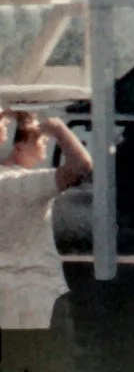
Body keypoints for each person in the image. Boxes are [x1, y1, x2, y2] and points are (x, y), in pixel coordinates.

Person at [1, 105, 94, 368]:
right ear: (15, 147)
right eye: (38, 138)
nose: (44, 143)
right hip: (37, 296)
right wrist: (59, 128)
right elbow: (81, 166)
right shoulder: (18, 184)